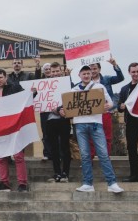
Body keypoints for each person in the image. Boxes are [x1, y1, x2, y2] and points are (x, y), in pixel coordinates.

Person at [67, 65, 123, 193]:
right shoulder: (73, 90)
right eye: (84, 73)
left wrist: (107, 106)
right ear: (79, 75)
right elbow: (68, 106)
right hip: (80, 124)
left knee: (103, 153)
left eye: (88, 73)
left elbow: (111, 103)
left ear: (91, 74)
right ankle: (87, 183)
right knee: (85, 155)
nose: (86, 75)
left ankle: (112, 183)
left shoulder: (99, 87)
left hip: (96, 123)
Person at [0, 69, 29, 192]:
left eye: (1, 77)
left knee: (18, 155)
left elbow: (26, 97)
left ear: (5, 77)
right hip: (1, 128)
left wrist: (33, 92)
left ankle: (22, 183)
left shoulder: (15, 87)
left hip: (15, 127)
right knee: (1, 156)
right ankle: (4, 182)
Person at [89, 56, 124, 157]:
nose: (93, 71)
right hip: (92, 114)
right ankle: (92, 158)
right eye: (91, 69)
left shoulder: (107, 79)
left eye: (95, 68)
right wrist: (67, 75)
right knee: (91, 138)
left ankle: (105, 157)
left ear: (99, 69)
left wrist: (114, 65)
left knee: (107, 137)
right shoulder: (86, 82)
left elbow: (120, 78)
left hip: (106, 112)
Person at [45, 62, 71, 182]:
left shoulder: (66, 83)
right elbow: (41, 100)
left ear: (60, 71)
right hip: (50, 120)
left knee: (65, 147)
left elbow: (71, 97)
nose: (55, 73)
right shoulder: (44, 84)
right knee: (54, 148)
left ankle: (65, 172)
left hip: (63, 119)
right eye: (53, 71)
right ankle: (57, 173)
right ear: (50, 72)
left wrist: (59, 108)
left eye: (57, 71)